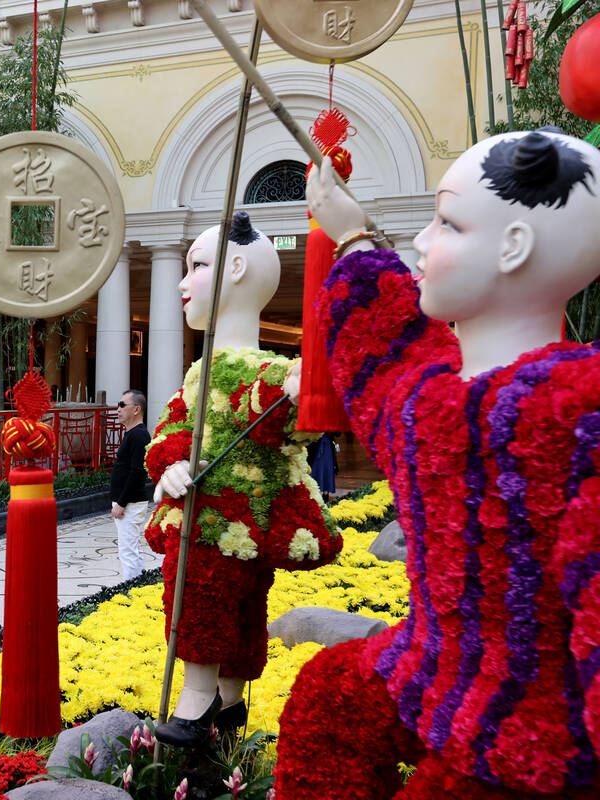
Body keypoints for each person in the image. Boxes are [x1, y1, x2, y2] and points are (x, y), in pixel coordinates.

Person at [273, 130, 600, 798]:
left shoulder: (578, 418)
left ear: (514, 247)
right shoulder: (431, 403)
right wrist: (352, 236)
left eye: (446, 222)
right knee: (327, 699)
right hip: (429, 664)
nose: (422, 241)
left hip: (525, 733)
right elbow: (390, 352)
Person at [145, 211, 342, 747]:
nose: (184, 284)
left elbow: (267, 402)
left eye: (197, 267)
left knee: (205, 598)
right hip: (228, 520)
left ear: (235, 267)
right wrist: (171, 462)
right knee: (229, 601)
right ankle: (226, 700)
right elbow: (173, 427)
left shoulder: (259, 371)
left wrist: (304, 391)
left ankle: (205, 693)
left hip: (221, 524)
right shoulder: (201, 369)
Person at [110, 389, 151, 580]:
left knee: (128, 550)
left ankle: (131, 590)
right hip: (128, 503)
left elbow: (137, 472)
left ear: (136, 409)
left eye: (122, 405)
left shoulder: (139, 435)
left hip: (130, 504)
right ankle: (137, 586)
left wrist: (121, 502)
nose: (118, 409)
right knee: (129, 548)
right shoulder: (132, 434)